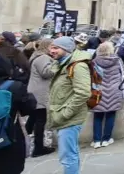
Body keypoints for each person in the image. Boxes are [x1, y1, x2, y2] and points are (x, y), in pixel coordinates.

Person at [48, 36, 93, 174]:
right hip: (64, 114)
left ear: (66, 49)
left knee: (68, 156)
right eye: (51, 47)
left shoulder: (78, 66)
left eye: (56, 48)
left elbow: (84, 93)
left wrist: (65, 114)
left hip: (69, 117)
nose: (51, 51)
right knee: (70, 153)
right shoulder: (64, 64)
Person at [91, 41, 124, 149]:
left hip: (99, 91)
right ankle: (106, 139)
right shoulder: (117, 60)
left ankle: (96, 140)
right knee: (110, 115)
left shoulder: (94, 61)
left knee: (97, 116)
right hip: (114, 90)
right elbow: (123, 72)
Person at [26, 38, 56, 157]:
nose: (54, 50)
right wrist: (57, 65)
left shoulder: (37, 56)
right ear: (46, 47)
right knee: (40, 120)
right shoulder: (43, 58)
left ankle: (25, 142)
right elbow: (46, 72)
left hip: (36, 92)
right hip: (40, 93)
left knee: (33, 119)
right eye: (52, 47)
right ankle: (38, 148)